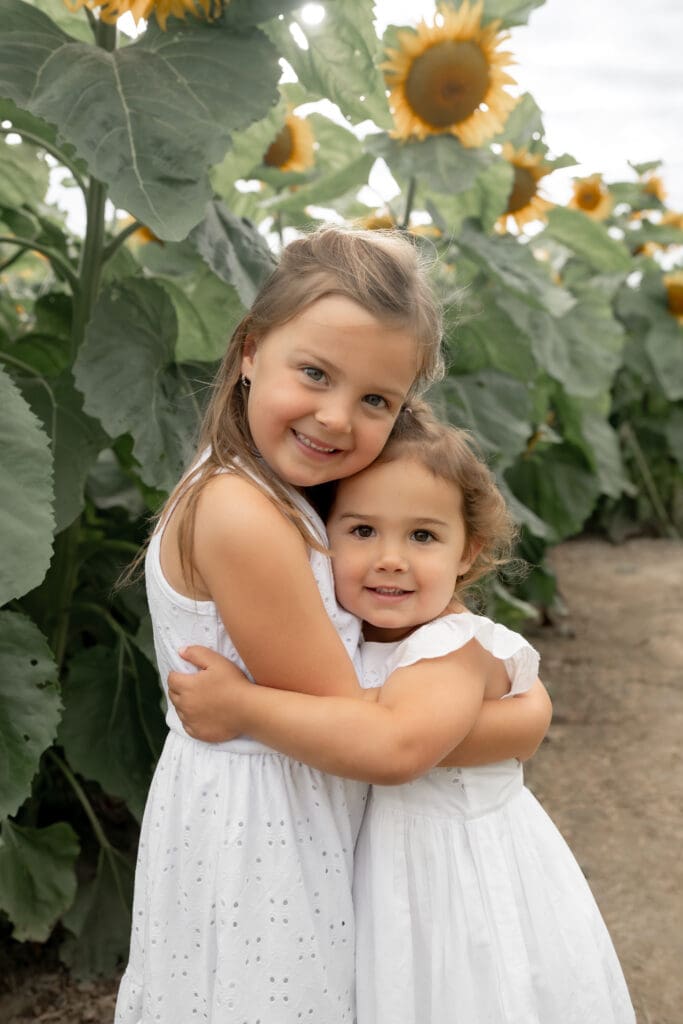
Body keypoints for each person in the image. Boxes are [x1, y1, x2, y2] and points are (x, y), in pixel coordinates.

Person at [116, 225, 551, 1024]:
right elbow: (365, 730)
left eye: (375, 400)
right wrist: (522, 719)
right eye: (313, 373)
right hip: (265, 827)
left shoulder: (288, 493)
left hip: (288, 803)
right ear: (249, 351)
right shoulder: (240, 513)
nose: (335, 417)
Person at [169, 408, 635, 1024]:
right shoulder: (344, 644)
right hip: (389, 880)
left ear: (467, 552)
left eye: (422, 536)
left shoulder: (451, 648)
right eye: (362, 531)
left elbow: (396, 745)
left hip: (456, 885)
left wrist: (245, 708)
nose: (391, 559)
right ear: (319, 539)